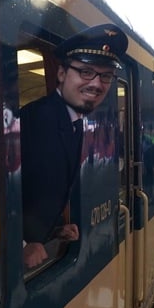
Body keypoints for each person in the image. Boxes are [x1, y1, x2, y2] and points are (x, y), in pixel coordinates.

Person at [20, 23, 128, 269]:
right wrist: (23, 242)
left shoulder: (74, 120)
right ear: (61, 74)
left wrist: (55, 229)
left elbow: (38, 188)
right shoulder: (34, 119)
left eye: (105, 76)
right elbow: (2, 191)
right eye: (86, 72)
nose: (97, 84)